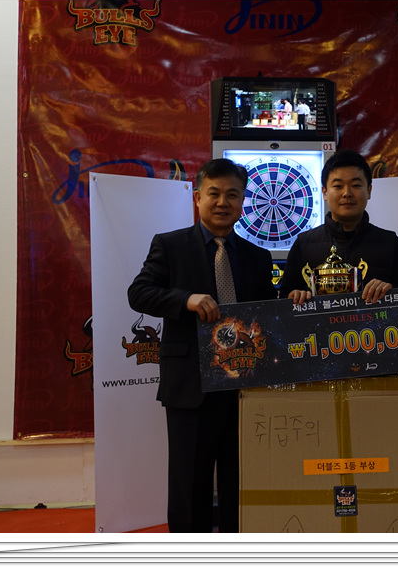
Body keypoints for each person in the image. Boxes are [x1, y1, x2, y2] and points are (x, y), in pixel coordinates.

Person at [127, 158, 277, 533]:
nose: (223, 202)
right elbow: (139, 293)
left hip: (243, 386)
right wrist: (186, 300)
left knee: (241, 481)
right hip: (190, 385)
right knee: (189, 483)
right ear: (198, 198)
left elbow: (268, 317)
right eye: (214, 193)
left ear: (243, 202)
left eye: (233, 195)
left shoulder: (258, 257)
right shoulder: (170, 245)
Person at [280, 148, 398, 304]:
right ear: (324, 192)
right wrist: (294, 297)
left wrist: (391, 291)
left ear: (369, 190)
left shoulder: (390, 242)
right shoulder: (303, 244)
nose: (347, 193)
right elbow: (283, 300)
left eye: (356, 185)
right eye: (338, 186)